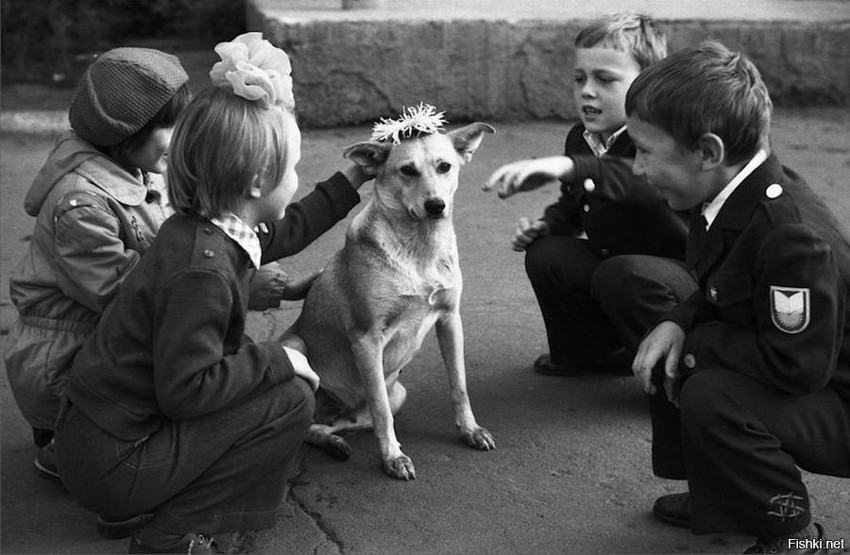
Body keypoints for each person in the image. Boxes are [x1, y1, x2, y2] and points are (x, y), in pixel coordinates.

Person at [52, 32, 372, 553]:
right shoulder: (201, 270)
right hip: (115, 461)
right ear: (254, 183)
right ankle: (169, 533)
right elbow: (187, 391)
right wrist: (278, 358)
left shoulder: (202, 229)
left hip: (101, 439)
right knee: (290, 399)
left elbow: (283, 231)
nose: (295, 180)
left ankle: (157, 502)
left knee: (271, 380)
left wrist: (352, 176)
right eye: (291, 170)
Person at [628, 41, 850, 553]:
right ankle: (725, 497)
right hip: (813, 376)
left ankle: (791, 532)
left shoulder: (788, 234)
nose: (637, 168)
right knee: (671, 343)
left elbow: (797, 367)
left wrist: (696, 343)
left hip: (837, 398)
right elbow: (719, 284)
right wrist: (680, 320)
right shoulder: (731, 192)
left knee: (710, 387)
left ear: (707, 152)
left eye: (644, 151)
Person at [4, 47, 193, 479]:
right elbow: (122, 297)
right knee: (144, 459)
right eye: (169, 125)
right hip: (68, 368)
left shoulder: (136, 166)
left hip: (104, 346)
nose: (181, 135)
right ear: (126, 132)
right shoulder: (81, 204)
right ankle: (65, 452)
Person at [483, 12, 694, 376]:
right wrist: (548, 224)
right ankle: (592, 353)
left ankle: (669, 376)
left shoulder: (664, 136)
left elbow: (640, 183)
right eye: (580, 79)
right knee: (548, 253)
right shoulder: (581, 137)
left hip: (681, 283)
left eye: (605, 79)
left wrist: (574, 168)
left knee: (623, 272)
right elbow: (575, 202)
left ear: (648, 83)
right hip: (622, 272)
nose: (587, 91)